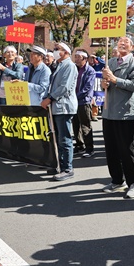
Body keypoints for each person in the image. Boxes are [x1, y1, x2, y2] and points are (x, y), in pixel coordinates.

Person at [101, 35, 134, 199]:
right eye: (120, 42)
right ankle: (117, 181)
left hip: (125, 114)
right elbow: (105, 83)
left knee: (127, 150)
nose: (122, 44)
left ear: (132, 47)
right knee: (111, 150)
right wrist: (105, 83)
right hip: (109, 112)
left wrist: (114, 79)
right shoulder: (110, 62)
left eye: (126, 42)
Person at [40, 42, 78, 181]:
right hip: (56, 107)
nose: (55, 51)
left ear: (66, 52)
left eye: (58, 49)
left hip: (64, 107)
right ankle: (60, 165)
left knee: (64, 138)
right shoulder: (59, 65)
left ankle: (68, 168)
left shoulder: (69, 66)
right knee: (57, 138)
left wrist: (49, 99)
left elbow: (64, 87)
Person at [72, 49, 96, 158]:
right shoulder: (74, 69)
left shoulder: (90, 70)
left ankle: (89, 148)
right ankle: (79, 145)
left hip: (83, 101)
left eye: (78, 57)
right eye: (75, 56)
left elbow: (87, 88)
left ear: (84, 59)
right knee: (75, 124)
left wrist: (75, 97)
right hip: (73, 101)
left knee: (85, 125)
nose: (76, 59)